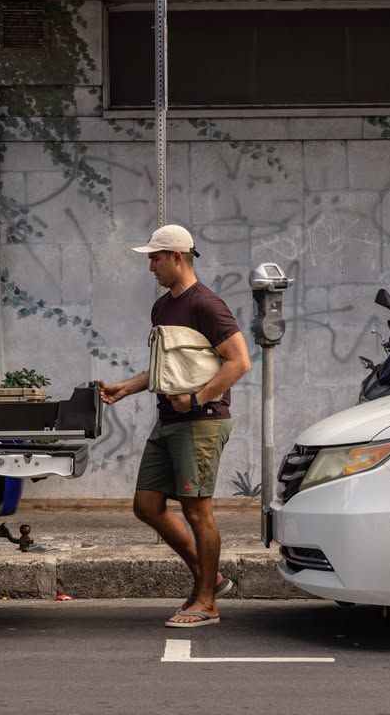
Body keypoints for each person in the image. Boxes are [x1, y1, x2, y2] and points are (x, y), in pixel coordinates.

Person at [99, 224, 251, 628]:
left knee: (197, 511)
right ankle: (212, 578)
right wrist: (126, 388)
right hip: (168, 420)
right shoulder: (162, 307)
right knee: (147, 505)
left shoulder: (207, 305)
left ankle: (207, 602)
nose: (151, 266)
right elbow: (164, 369)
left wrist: (199, 398)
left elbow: (239, 361)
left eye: (155, 257)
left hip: (201, 422)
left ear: (177, 258)